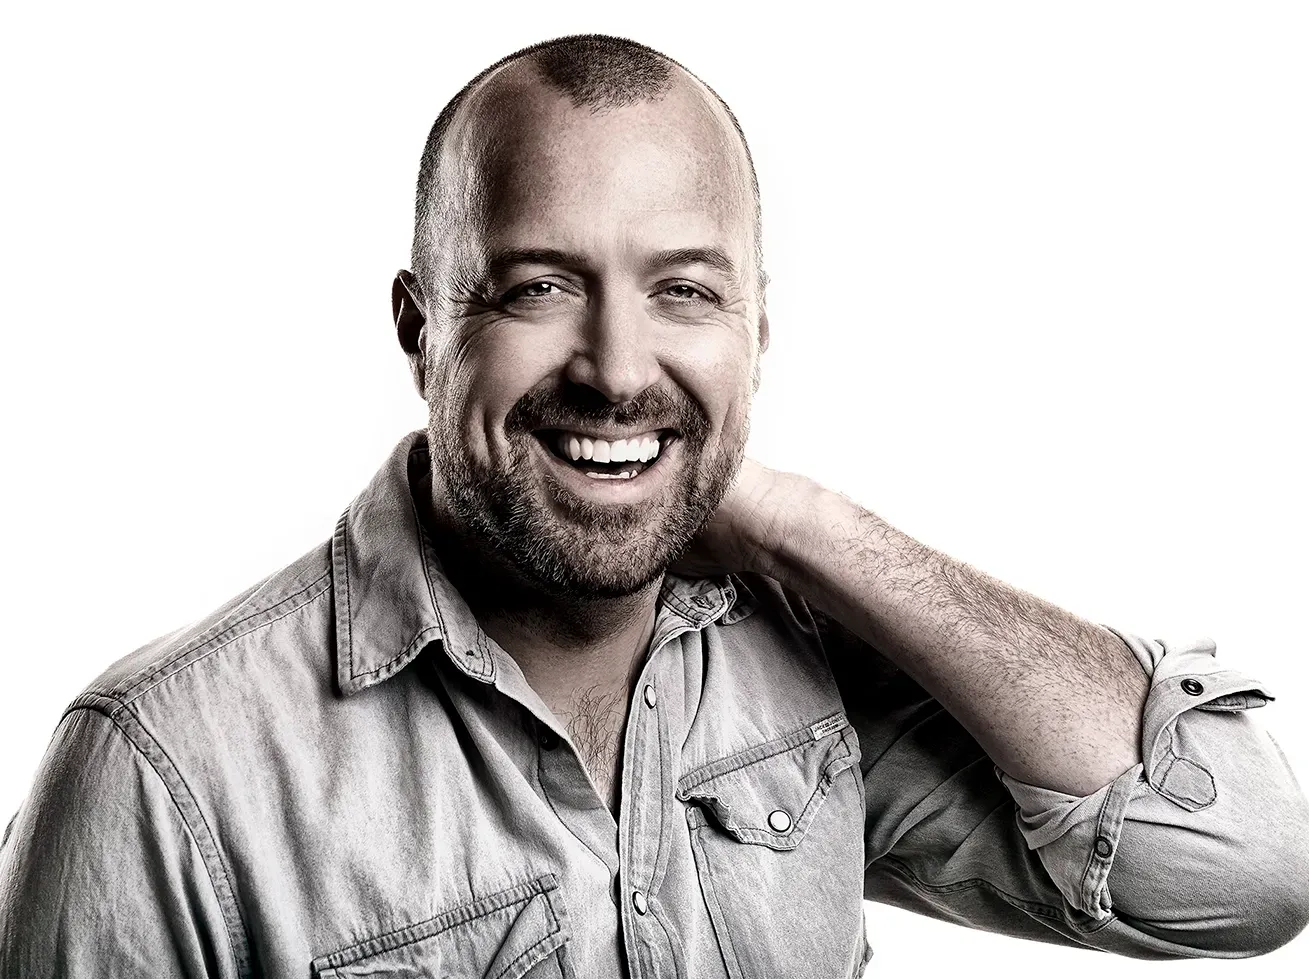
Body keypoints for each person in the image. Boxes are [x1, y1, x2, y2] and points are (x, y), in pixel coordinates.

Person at [1, 32, 1307, 978]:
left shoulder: (804, 678)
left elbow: (1244, 870)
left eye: (685, 291)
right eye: (537, 289)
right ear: (419, 327)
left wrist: (781, 515)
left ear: (757, 326)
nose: (620, 370)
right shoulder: (160, 768)